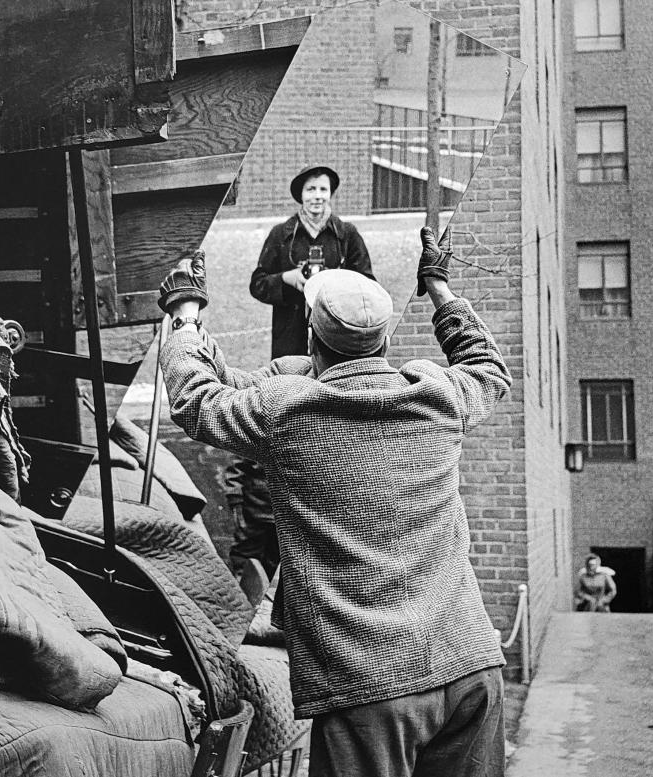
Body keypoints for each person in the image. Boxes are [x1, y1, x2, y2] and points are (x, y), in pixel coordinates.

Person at [158, 227, 512, 777]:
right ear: (386, 343)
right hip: (470, 667)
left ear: (310, 337)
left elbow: (196, 398)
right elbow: (486, 366)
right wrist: (439, 286)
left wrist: (185, 315)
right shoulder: (435, 396)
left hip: (369, 688)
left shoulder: (287, 413)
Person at [224, 165, 374, 594]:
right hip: (290, 341)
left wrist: (333, 284)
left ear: (331, 195)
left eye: (323, 190)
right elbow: (257, 284)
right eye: (310, 190)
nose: (317, 197)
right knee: (290, 406)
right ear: (300, 196)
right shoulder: (281, 235)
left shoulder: (346, 237)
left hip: (335, 346)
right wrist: (289, 280)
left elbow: (367, 284)